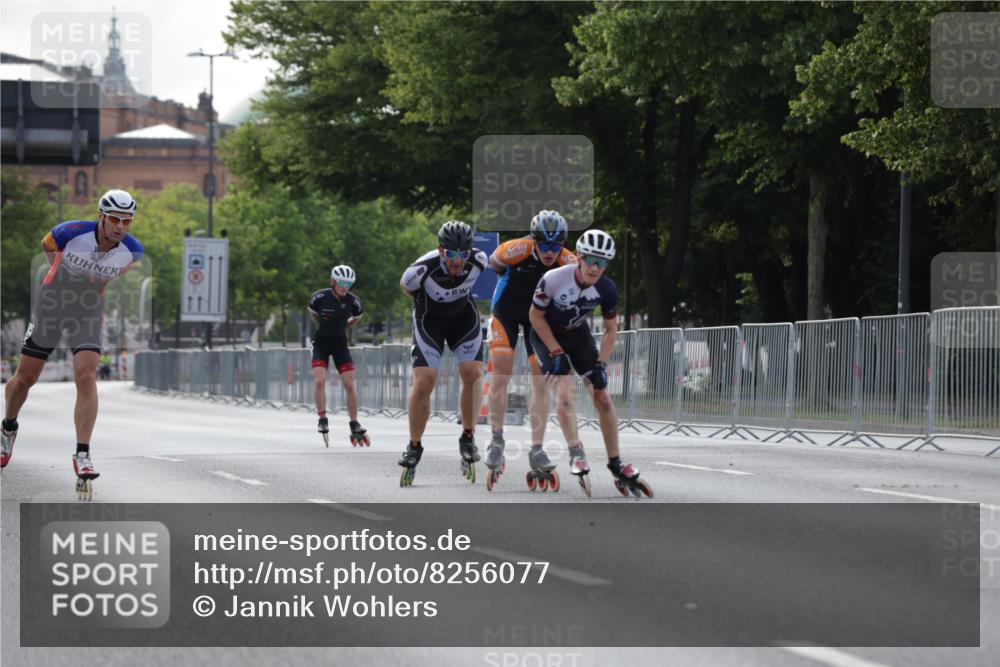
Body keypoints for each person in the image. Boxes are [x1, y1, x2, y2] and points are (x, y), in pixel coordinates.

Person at [1, 189, 144, 498]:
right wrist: (60, 271)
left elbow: (118, 271)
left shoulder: (133, 251)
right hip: (53, 303)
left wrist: (95, 284)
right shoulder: (72, 232)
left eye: (127, 221)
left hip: (87, 311)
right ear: (101, 217)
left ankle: (82, 453)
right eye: (115, 219)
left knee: (87, 375)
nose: (121, 227)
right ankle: (8, 426)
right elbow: (47, 244)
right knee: (24, 380)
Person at [528, 229, 653, 498]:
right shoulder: (553, 279)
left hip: (578, 337)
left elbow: (610, 331)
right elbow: (534, 318)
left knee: (603, 397)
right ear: (579, 258)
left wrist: (601, 365)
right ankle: (576, 452)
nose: (597, 268)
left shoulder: (606, 289)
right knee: (565, 394)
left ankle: (615, 462)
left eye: (603, 263)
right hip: (546, 336)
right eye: (593, 261)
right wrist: (555, 350)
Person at [483, 210, 575, 491]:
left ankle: (536, 447)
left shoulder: (568, 262)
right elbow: (494, 263)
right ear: (533, 240)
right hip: (506, 313)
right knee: (501, 370)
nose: (549, 252)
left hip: (538, 319)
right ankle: (497, 439)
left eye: (555, 246)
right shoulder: (515, 250)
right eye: (544, 245)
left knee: (540, 378)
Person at [397, 221, 488, 486]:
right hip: (430, 320)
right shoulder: (420, 269)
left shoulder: (479, 260)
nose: (458, 261)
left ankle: (468, 437)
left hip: (463, 317)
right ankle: (414, 445)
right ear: (441, 250)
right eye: (451, 254)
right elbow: (407, 289)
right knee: (425, 380)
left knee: (472, 373)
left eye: (463, 254)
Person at [308, 265, 368, 446]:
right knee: (320, 380)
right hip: (321, 344)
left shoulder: (354, 302)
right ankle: (322, 417)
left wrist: (344, 327)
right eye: (341, 283)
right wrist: (325, 327)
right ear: (333, 282)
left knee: (349, 384)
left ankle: (354, 422)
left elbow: (356, 318)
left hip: (340, 344)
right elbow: (314, 315)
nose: (345, 287)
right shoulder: (319, 298)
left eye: (349, 284)